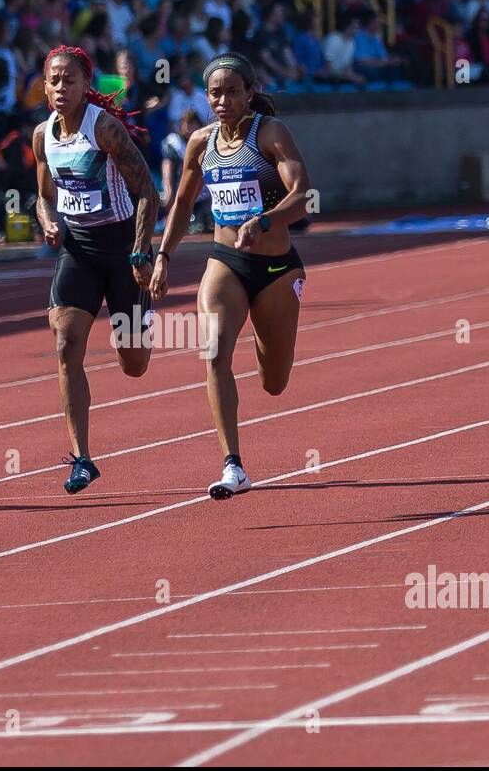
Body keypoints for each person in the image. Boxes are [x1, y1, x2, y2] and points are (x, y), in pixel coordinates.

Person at [151, 52, 312, 499]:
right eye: (215, 93)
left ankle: (267, 353)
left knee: (274, 381)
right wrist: (163, 254)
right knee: (214, 351)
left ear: (250, 92)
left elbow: (302, 194)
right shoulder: (200, 143)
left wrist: (264, 220)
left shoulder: (271, 133)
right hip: (226, 261)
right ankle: (233, 465)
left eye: (232, 92)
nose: (223, 101)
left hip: (276, 267)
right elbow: (182, 205)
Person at [34, 45, 160, 494]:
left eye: (69, 80)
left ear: (88, 85)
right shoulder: (42, 134)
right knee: (67, 345)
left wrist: (142, 250)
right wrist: (49, 222)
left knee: (134, 365)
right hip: (80, 250)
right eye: (53, 81)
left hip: (122, 249)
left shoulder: (104, 129)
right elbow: (44, 195)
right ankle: (82, 459)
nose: (60, 88)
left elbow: (147, 189)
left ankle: (141, 317)